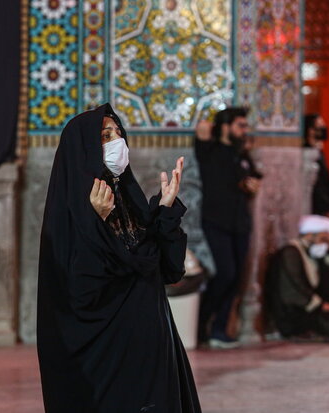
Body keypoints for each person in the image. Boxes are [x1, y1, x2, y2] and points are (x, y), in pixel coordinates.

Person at [37, 103, 201, 412]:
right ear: (83, 148)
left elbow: (170, 271)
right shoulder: (68, 216)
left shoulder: (131, 204)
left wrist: (165, 213)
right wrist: (94, 223)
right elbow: (81, 289)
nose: (117, 142)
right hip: (107, 351)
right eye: (104, 135)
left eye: (118, 133)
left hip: (153, 344)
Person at [194, 107, 262, 349]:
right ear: (225, 126)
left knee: (236, 280)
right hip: (216, 222)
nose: (244, 130)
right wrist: (217, 122)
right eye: (240, 125)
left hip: (239, 223)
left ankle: (220, 330)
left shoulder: (240, 153)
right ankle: (201, 324)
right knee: (225, 274)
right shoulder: (210, 150)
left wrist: (251, 185)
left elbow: (252, 178)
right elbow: (202, 127)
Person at [264, 215, 329, 343]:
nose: (325, 242)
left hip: (312, 307)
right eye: (323, 238)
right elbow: (291, 290)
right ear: (310, 235)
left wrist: (327, 253)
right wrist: (319, 305)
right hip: (295, 311)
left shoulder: (314, 252)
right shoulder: (291, 253)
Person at [303, 114, 329, 217]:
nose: (323, 130)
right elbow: (316, 184)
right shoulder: (305, 153)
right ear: (310, 130)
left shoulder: (318, 152)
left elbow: (326, 178)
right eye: (319, 126)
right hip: (312, 208)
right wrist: (327, 205)